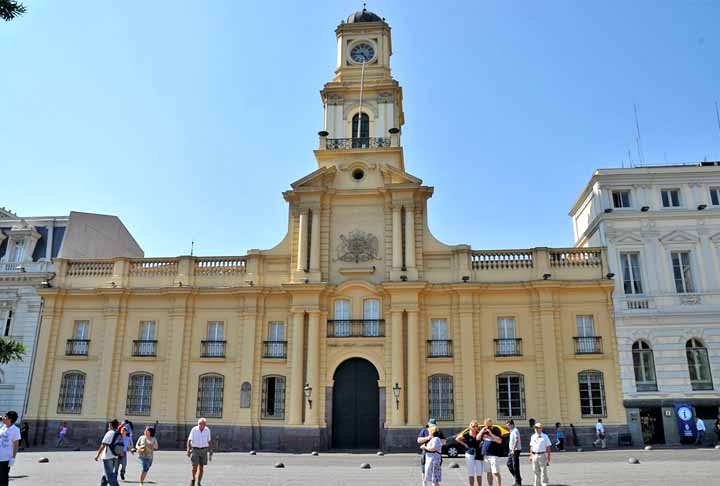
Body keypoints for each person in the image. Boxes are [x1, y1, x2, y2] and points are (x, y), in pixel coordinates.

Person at [417, 418, 446, 485]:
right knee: (424, 470)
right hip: (426, 454)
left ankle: (434, 484)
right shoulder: (424, 430)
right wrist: (427, 438)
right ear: (428, 424)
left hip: (435, 455)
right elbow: (418, 440)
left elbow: (444, 442)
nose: (432, 427)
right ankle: (424, 484)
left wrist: (436, 441)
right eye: (431, 425)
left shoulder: (438, 431)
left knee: (434, 473)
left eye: (433, 425)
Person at [455, 420, 483, 486]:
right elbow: (457, 438)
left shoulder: (479, 433)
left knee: (479, 473)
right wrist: (464, 444)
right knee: (471, 472)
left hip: (478, 454)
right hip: (469, 454)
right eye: (473, 426)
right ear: (470, 427)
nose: (475, 427)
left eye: (476, 426)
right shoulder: (466, 434)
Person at [187, 417, 213, 486]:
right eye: (201, 424)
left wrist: (210, 450)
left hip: (204, 450)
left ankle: (199, 482)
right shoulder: (194, 429)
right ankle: (193, 479)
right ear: (198, 424)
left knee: (201, 467)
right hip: (195, 449)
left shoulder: (207, 430)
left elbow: (209, 441)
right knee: (194, 467)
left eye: (204, 425)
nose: (202, 426)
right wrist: (188, 450)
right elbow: (189, 440)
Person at [95, 419, 120, 486]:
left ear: (111, 426)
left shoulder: (109, 433)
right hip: (115, 456)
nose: (108, 427)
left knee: (109, 475)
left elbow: (103, 445)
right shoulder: (118, 433)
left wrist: (97, 455)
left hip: (107, 457)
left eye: (109, 426)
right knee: (105, 474)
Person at [478, 418, 503, 486]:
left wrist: (491, 434)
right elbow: (477, 438)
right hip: (485, 454)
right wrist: (481, 432)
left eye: (488, 426)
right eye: (485, 426)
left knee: (495, 472)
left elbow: (500, 441)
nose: (487, 427)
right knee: (488, 472)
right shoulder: (483, 431)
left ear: (491, 424)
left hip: (494, 454)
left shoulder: (496, 430)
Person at [0, 411, 21, 486]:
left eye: (6, 416)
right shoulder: (3, 426)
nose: (4, 417)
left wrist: (13, 458)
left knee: (3, 479)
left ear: (10, 419)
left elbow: (16, 445)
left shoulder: (15, 430)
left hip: (5, 458)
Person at [506, 419, 522, 486]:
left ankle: (518, 482)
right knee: (509, 464)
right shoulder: (511, 430)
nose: (507, 427)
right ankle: (518, 478)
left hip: (515, 450)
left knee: (515, 466)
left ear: (512, 424)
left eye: (508, 425)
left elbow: (516, 440)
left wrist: (513, 449)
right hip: (511, 450)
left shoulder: (515, 430)